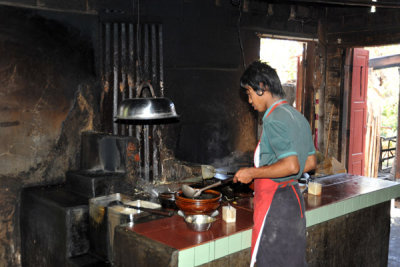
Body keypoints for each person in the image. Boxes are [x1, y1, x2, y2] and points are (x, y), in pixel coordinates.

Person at [233, 60, 316, 267]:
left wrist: (252, 172)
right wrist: (277, 171)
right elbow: (310, 162)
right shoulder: (297, 117)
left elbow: (291, 166)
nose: (250, 100)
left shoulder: (273, 118)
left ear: (262, 87)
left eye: (250, 93)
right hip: (293, 203)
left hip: (276, 207)